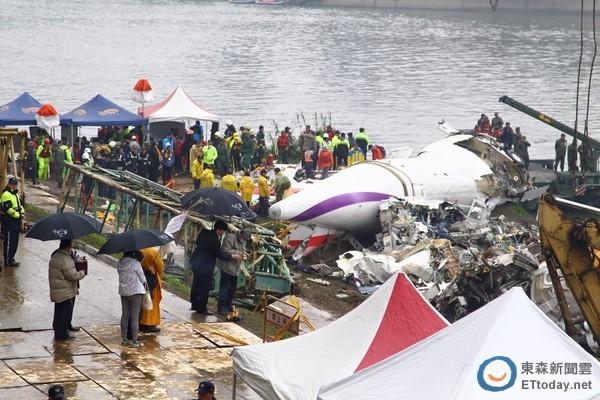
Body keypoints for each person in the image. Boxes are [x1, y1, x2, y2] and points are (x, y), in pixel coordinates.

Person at [189, 221, 240, 314]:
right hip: (205, 265)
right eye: (223, 231)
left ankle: (194, 304)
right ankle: (202, 308)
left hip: (195, 262)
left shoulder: (204, 233)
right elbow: (219, 254)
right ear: (219, 230)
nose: (223, 233)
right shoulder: (215, 240)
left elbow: (199, 243)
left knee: (196, 284)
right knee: (204, 287)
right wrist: (232, 256)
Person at [49, 239, 86, 341]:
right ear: (68, 244)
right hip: (65, 290)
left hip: (58, 289)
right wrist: (82, 272)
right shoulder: (65, 259)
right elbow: (72, 275)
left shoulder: (57, 255)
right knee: (64, 313)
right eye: (72, 242)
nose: (73, 243)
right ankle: (62, 335)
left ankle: (62, 330)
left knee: (59, 312)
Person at [216, 229, 249, 317]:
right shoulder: (230, 237)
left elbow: (242, 250)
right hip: (226, 267)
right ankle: (221, 308)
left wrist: (244, 254)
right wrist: (238, 253)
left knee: (232, 289)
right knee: (224, 288)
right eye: (243, 238)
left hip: (235, 269)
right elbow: (224, 250)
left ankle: (227, 305)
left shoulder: (243, 240)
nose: (244, 241)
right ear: (241, 234)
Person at [118, 250, 147, 348]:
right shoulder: (136, 263)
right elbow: (143, 279)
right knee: (134, 318)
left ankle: (124, 339)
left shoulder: (120, 263)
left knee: (125, 316)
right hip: (136, 292)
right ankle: (134, 341)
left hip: (124, 291)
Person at [139, 247, 164, 333]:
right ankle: (149, 324)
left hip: (141, 275)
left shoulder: (141, 250)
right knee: (151, 302)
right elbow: (160, 266)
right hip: (152, 278)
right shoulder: (153, 252)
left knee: (143, 300)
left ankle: (140, 322)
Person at [1, 177, 23, 267]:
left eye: (15, 184)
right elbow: (8, 209)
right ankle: (8, 260)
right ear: (9, 184)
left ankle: (12, 258)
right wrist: (18, 215)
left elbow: (20, 206)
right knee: (9, 240)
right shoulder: (6, 194)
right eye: (13, 184)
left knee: (15, 240)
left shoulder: (15, 194)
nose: (14, 186)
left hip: (16, 221)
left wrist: (22, 213)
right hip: (9, 221)